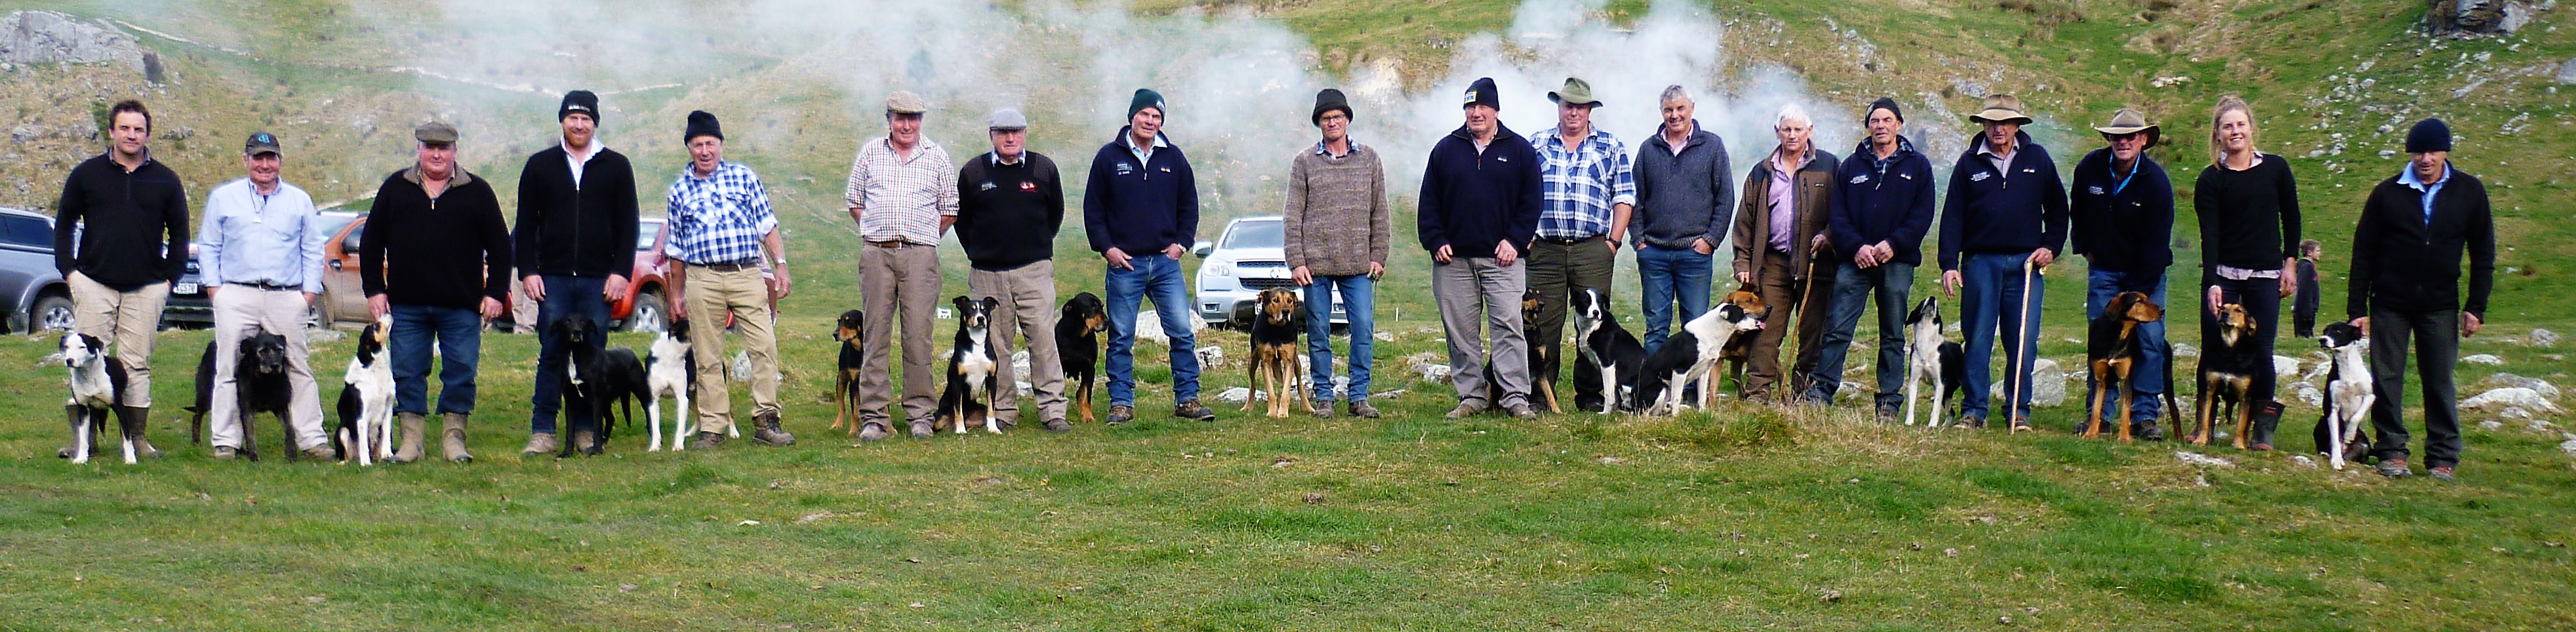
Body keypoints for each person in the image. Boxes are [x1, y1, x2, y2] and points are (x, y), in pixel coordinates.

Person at [2350, 118, 2493, 481]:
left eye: (2432, 151)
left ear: (2445, 152)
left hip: (2440, 304)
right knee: (2387, 378)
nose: (2425, 159)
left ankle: (2444, 455)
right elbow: (2363, 252)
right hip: (2390, 303)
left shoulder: (2469, 192)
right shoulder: (2387, 194)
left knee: (2439, 379)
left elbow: (2483, 252)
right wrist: (2357, 310)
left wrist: (2476, 306)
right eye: (2418, 152)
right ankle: (2392, 450)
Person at [361, 122, 512, 463]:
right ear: (418, 150)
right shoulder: (395, 189)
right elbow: (371, 243)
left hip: (461, 305)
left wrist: (495, 293)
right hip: (407, 305)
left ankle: (454, 440)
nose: (436, 154)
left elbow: (502, 248)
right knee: (408, 371)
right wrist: (374, 290)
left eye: (443, 148)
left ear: (455, 151)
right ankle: (411, 442)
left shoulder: (477, 191)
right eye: (430, 147)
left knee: (461, 370)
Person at [52, 99, 186, 460]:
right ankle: (84, 441)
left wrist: (169, 279)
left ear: (147, 134)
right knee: (84, 359)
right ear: (111, 131)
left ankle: (137, 438)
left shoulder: (166, 180)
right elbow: (64, 223)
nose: (131, 135)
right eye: (124, 128)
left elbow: (180, 233)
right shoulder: (86, 174)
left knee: (136, 362)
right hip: (93, 282)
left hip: (146, 286)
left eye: (138, 129)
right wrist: (69, 271)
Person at [513, 90, 640, 457]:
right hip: (551, 278)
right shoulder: (540, 166)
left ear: (595, 123)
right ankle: (543, 430)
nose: (579, 124)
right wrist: (528, 271)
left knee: (594, 356)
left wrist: (621, 273)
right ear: (562, 122)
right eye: (573, 118)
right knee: (551, 352)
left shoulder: (616, 166)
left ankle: (587, 429)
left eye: (586, 119)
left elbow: (628, 224)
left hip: (598, 280)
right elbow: (526, 223)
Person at [1083, 89, 1217, 425]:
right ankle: (1121, 403)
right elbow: (1093, 210)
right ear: (1132, 117)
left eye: (1157, 117)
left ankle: (1187, 399)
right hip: (1125, 265)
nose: (1150, 122)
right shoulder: (1108, 158)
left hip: (1166, 264)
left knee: (1182, 332)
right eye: (1145, 115)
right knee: (1121, 336)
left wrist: (1182, 244)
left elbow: (1190, 206)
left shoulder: (1173, 158)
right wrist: (1108, 249)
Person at [662, 111, 795, 450]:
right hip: (702, 279)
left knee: (764, 346)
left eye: (710, 143)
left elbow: (767, 224)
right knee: (707, 355)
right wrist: (676, 293)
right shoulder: (678, 191)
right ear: (689, 148)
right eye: (697, 145)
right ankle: (713, 427)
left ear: (721, 145)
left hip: (747, 273)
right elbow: (675, 247)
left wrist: (780, 264)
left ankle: (767, 420)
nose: (705, 151)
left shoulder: (744, 178)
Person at [199, 131, 332, 461]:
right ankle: (227, 441)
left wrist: (309, 293)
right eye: (257, 157)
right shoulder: (223, 198)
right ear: (245, 161)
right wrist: (216, 291)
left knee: (298, 365)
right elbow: (209, 245)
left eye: (270, 157)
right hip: (236, 293)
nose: (264, 164)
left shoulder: (299, 200)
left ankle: (311, 440)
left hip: (286, 295)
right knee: (227, 366)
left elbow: (312, 248)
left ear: (280, 161)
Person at [1937, 94, 2067, 432]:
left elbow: (2058, 209)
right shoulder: (1968, 163)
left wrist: (2051, 247)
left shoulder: (2038, 159)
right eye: (1992, 122)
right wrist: (1949, 263)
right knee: (1978, 337)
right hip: (1981, 263)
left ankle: (2018, 411)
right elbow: (1952, 217)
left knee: (2023, 339)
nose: (1998, 128)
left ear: (2017, 126)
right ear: (1983, 125)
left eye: (2005, 122)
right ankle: (1974, 410)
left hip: (2027, 265)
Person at [1419, 77, 1542, 421]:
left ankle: (1515, 397)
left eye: (1482, 106)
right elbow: (1429, 202)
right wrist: (1436, 239)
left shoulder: (1519, 150)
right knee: (1460, 331)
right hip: (1453, 261)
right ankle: (1471, 396)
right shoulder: (1446, 149)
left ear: (1496, 110)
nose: (1476, 113)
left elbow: (1532, 203)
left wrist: (1515, 241)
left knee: (1508, 327)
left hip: (1503, 259)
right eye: (1470, 107)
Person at [1807, 98, 1935, 417]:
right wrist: (1857, 248)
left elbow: (1923, 215)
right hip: (1855, 260)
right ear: (1868, 126)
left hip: (1898, 261)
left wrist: (1893, 244)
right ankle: (1821, 391)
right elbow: (1838, 215)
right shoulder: (1852, 166)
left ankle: (1889, 402)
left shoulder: (1918, 166)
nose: (1880, 126)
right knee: (1837, 327)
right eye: (1875, 121)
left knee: (1892, 332)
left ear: (1899, 124)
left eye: (1887, 120)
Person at [847, 91, 960, 440]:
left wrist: (923, 237)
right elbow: (854, 201)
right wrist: (878, 230)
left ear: (921, 121)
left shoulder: (936, 156)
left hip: (920, 256)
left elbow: (950, 208)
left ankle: (920, 417)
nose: (907, 124)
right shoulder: (870, 153)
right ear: (889, 120)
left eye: (913, 118)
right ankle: (875, 418)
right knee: (876, 336)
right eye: (900, 117)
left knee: (918, 337)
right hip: (877, 254)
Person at [2191, 96, 2301, 449]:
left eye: (2241, 124)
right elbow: (2210, 235)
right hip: (2226, 276)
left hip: (2266, 277)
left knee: (2262, 351)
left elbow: (2292, 218)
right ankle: (2202, 428)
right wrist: (2212, 284)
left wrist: (2290, 262)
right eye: (2228, 126)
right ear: (2217, 135)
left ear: (2251, 128)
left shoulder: (2276, 169)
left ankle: (2261, 430)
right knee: (2213, 348)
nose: (2235, 131)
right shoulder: (2211, 180)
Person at [955, 108, 1071, 433]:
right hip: (987, 274)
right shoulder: (974, 171)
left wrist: (1035, 246)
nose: (1010, 138)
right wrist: (979, 251)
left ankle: (1052, 410)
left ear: (1025, 134)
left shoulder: (1043, 168)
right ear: (991, 135)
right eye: (1003, 132)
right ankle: (1003, 411)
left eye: (1016, 132)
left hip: (1033, 271)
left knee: (1043, 340)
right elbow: (961, 220)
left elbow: (1056, 214)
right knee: (996, 344)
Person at [1526, 77, 1635, 413]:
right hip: (1545, 249)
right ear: (1558, 107)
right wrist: (1525, 236)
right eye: (1567, 105)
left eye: (1580, 106)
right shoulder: (1536, 144)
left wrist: (1614, 242)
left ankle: (1591, 395)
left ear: (1590, 110)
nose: (1573, 112)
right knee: (1544, 323)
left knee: (1594, 322)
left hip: (1593, 249)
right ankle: (1540, 395)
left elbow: (1625, 196)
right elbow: (1520, 193)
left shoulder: (1611, 146)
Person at [1283, 89, 1391, 419]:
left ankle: (1359, 397)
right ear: (1319, 123)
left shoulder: (1369, 159)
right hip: (1315, 265)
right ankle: (1325, 397)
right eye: (1326, 118)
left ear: (1347, 120)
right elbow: (1292, 214)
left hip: (1359, 263)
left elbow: (1380, 211)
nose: (1333, 122)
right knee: (1318, 330)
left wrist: (1379, 255)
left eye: (1338, 117)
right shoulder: (1304, 162)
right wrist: (1297, 261)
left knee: (1362, 326)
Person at [2068, 108, 2174, 439]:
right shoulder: (2090, 168)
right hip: (2104, 271)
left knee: (2150, 339)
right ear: (2109, 139)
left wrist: (2138, 293)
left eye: (2131, 136)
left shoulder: (2156, 182)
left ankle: (2145, 417)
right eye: (2117, 136)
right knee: (2101, 337)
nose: (2123, 142)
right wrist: (2085, 247)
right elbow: (2078, 210)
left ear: (2143, 140)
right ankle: (2099, 417)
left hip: (2147, 274)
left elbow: (2158, 241)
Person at [1731, 105, 1839, 405]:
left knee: (1811, 333)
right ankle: (1758, 394)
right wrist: (1743, 263)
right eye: (1786, 130)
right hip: (1773, 263)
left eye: (1798, 130)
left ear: (1810, 131)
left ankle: (1803, 396)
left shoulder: (1830, 167)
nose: (1792, 135)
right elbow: (1745, 221)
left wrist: (1830, 236)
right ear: (1777, 132)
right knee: (1766, 332)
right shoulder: (1761, 172)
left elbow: (1843, 212)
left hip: (1817, 264)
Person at [1629, 85, 1733, 358]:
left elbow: (1725, 198)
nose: (1674, 115)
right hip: (1654, 252)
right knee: (1655, 328)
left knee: (1697, 326)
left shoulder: (1712, 146)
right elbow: (1635, 198)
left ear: (1692, 109)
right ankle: (1653, 392)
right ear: (1662, 112)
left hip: (1694, 254)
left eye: (1680, 109)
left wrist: (1710, 241)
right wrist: (1639, 241)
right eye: (1668, 110)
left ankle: (1689, 393)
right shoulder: (1648, 149)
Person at [2294, 239, 2322, 338]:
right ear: (2310, 252)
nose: (2320, 254)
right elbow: (2304, 290)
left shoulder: (2306, 266)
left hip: (2306, 309)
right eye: (2318, 251)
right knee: (2305, 336)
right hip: (2305, 310)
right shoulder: (2307, 268)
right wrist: (2308, 311)